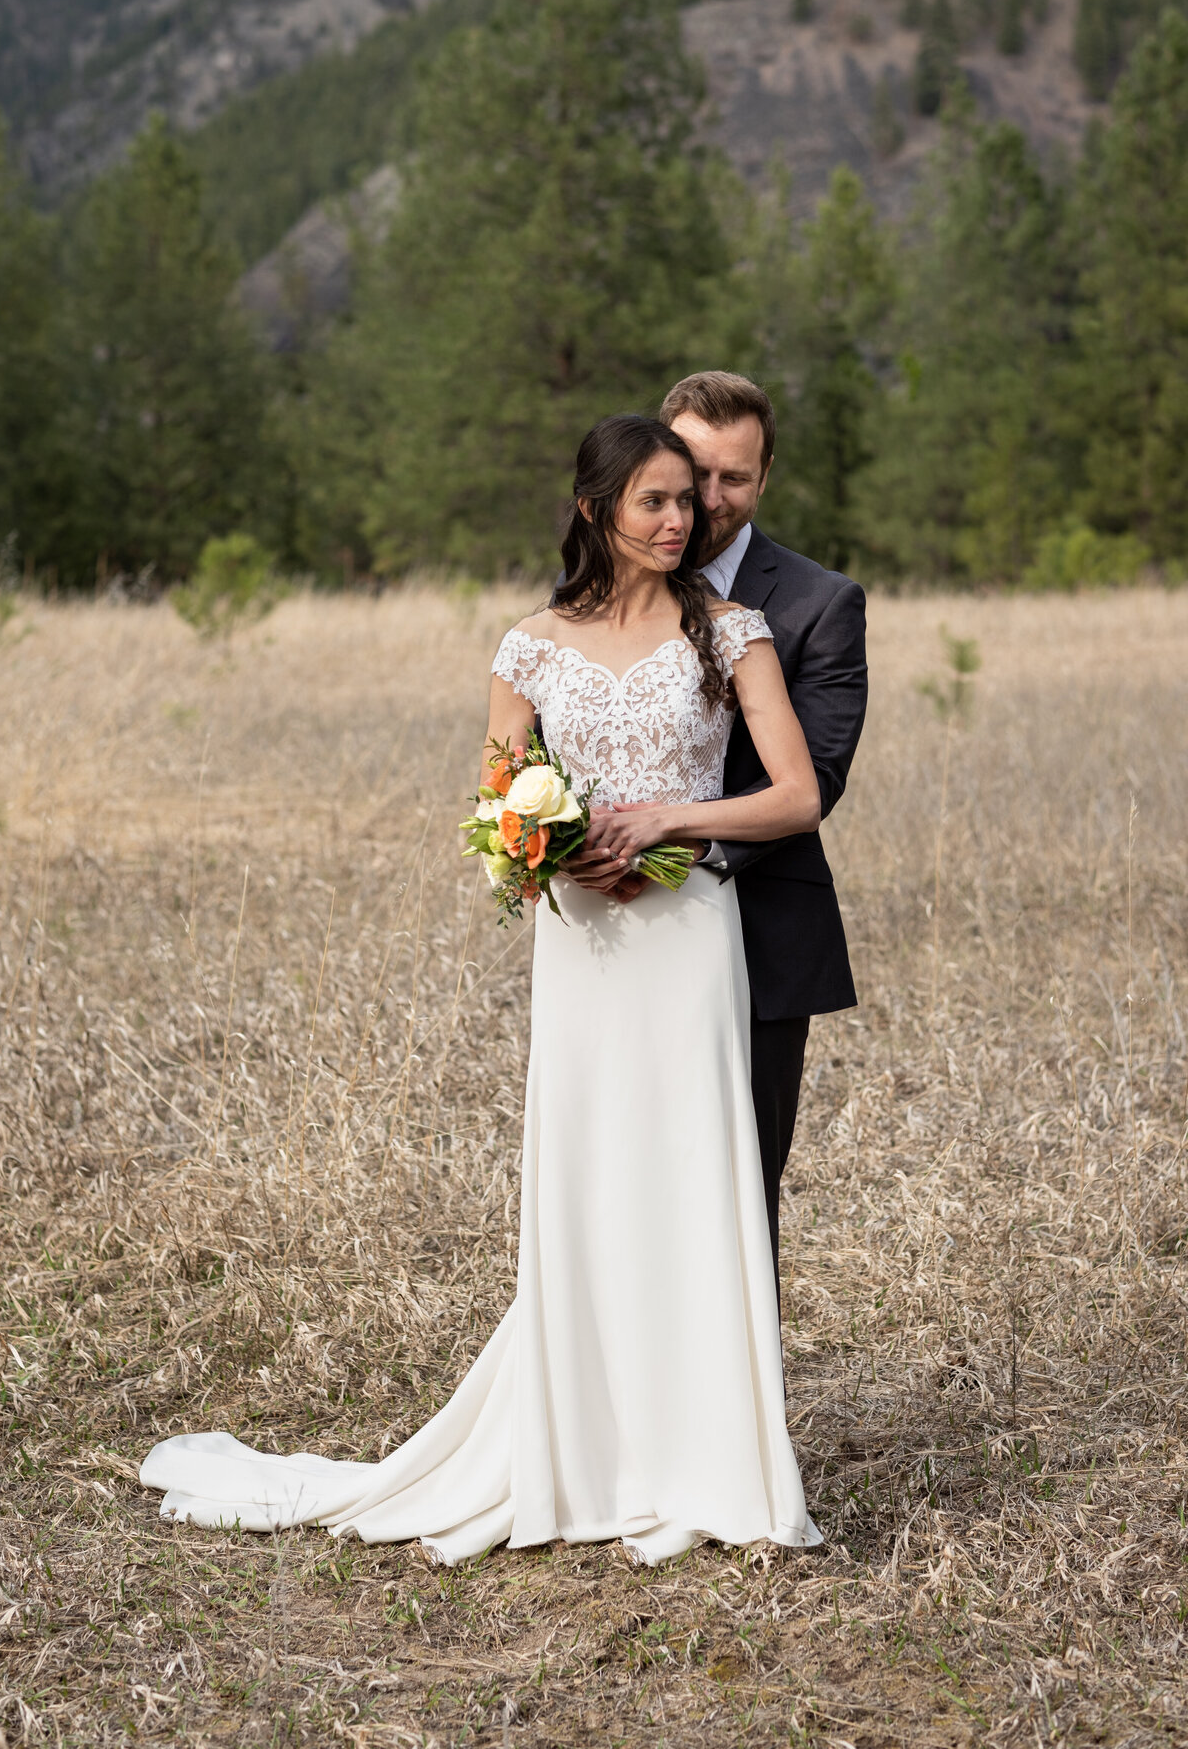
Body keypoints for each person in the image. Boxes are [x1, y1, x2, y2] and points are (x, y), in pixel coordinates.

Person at [139, 414, 825, 1567]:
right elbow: (499, 808)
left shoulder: (736, 633)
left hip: (692, 935)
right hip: (586, 950)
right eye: (653, 501)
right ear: (595, 509)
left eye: (687, 502)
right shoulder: (529, 645)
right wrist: (546, 853)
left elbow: (796, 795)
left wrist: (670, 819)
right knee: (592, 1177)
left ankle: (712, 1461)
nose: (678, 520)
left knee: (697, 1178)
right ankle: (582, 1451)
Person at [564, 373, 867, 1299]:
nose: (709, 501)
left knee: (737, 1185)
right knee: (613, 1177)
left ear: (765, 478)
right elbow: (551, 750)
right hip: (612, 934)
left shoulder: (818, 602)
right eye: (694, 473)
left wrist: (665, 843)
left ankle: (738, 1423)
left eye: (735, 478)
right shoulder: (589, 593)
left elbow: (814, 778)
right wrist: (573, 845)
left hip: (761, 927)